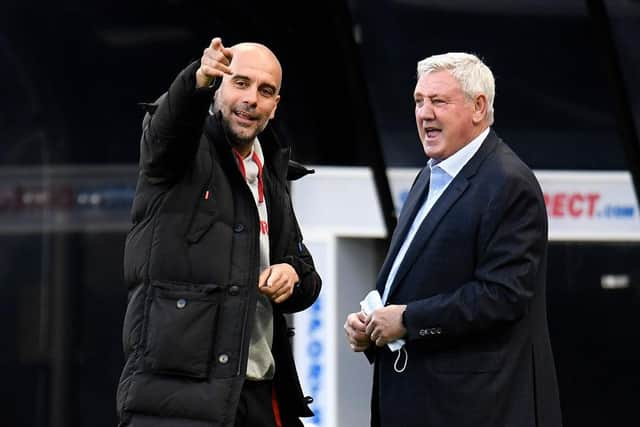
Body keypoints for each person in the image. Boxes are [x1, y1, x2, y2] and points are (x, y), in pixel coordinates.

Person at [344, 52, 562, 427]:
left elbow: (502, 296)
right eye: (418, 101)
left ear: (479, 107)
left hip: (474, 409)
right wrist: (373, 324)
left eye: (438, 101)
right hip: (418, 402)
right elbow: (414, 280)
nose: (424, 113)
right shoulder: (430, 175)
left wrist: (408, 320)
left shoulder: (508, 182)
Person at [116, 37, 322, 427]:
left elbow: (307, 275)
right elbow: (168, 127)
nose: (252, 100)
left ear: (275, 106)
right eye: (240, 83)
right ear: (217, 88)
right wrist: (197, 79)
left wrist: (293, 276)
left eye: (265, 91)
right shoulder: (180, 150)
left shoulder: (272, 174)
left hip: (259, 393)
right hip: (179, 401)